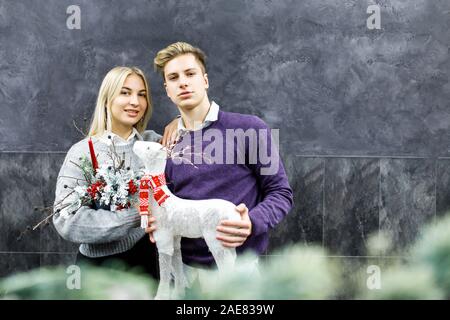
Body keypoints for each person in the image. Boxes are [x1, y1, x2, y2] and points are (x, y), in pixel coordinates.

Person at [151, 42, 293, 284]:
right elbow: (168, 203)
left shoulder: (250, 128)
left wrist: (252, 221)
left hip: (239, 272)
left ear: (205, 80)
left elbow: (281, 193)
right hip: (184, 275)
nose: (183, 82)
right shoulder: (167, 144)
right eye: (174, 78)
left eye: (190, 74)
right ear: (167, 90)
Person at [53, 66, 178, 279]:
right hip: (98, 271)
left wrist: (181, 122)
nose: (135, 102)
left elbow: (199, 145)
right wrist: (135, 215)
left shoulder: (153, 143)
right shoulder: (84, 152)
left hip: (148, 262)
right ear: (107, 98)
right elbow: (66, 220)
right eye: (125, 92)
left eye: (142, 95)